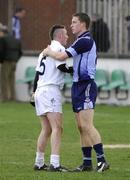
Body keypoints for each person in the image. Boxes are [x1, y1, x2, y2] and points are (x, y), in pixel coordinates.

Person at [42, 13, 110, 172]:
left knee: (87, 125)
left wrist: (48, 52)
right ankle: (87, 163)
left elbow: (59, 56)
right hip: (77, 85)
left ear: (83, 24)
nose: (71, 25)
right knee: (81, 126)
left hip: (86, 85)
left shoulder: (85, 40)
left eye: (74, 22)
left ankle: (102, 160)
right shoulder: (79, 41)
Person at [32, 24, 73, 172]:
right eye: (66, 34)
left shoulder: (44, 52)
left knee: (46, 129)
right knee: (57, 128)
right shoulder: (59, 48)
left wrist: (33, 92)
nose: (68, 37)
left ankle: (39, 162)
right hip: (50, 90)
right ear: (60, 36)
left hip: (40, 91)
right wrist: (76, 71)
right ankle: (55, 164)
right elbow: (61, 67)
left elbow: (37, 74)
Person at [0, 24, 22, 101]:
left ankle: (5, 98)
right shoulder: (16, 40)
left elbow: (1, 51)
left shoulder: (3, 39)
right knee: (11, 80)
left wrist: (1, 61)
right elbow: (20, 52)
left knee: (4, 80)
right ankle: (13, 97)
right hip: (14, 62)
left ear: (2, 32)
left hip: (6, 61)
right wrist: (15, 60)